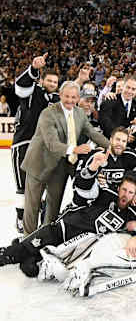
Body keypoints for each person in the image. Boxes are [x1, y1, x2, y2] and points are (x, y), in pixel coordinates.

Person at [0, 172, 136, 278]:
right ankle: (9, 253)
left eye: (131, 192)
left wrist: (134, 237)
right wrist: (92, 169)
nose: (126, 195)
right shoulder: (105, 193)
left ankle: (28, 254)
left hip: (74, 248)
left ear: (135, 194)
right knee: (20, 250)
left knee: (31, 268)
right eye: (124, 190)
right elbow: (83, 185)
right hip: (62, 229)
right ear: (119, 188)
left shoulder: (131, 214)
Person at [21, 81, 110, 235]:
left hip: (59, 167)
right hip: (39, 164)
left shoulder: (79, 113)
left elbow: (93, 133)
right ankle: (27, 241)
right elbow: (52, 143)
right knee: (32, 207)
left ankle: (44, 239)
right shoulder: (48, 113)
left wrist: (113, 147)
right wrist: (75, 149)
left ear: (78, 98)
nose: (70, 100)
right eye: (67, 96)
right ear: (60, 95)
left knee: (53, 208)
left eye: (74, 97)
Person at [11, 53, 60, 233]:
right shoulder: (33, 92)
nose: (52, 85)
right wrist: (33, 68)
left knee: (42, 186)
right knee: (23, 187)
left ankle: (38, 221)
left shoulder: (55, 100)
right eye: (50, 81)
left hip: (44, 149)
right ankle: (21, 218)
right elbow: (20, 87)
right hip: (24, 145)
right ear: (41, 81)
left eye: (55, 83)